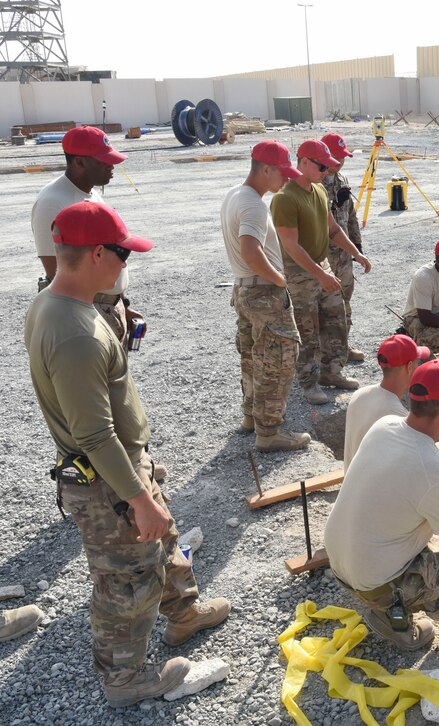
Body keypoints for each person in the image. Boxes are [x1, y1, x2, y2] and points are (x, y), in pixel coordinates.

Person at [24, 201, 230, 707]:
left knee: (164, 544)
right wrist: (138, 498)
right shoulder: (75, 334)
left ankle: (183, 615)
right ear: (97, 254)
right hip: (107, 483)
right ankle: (125, 680)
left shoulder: (57, 304)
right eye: (123, 254)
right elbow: (95, 436)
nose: (125, 263)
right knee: (127, 581)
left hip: (122, 468)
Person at [324, 359, 439, 651]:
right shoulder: (438, 474)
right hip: (374, 584)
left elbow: (414, 470)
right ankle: (394, 615)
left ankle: (391, 598)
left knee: (433, 531)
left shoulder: (384, 426)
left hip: (340, 562)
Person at [221, 141, 310, 452]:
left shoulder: (235, 195)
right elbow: (251, 251)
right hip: (264, 293)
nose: (286, 180)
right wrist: (279, 279)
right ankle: (269, 433)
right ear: (266, 169)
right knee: (277, 360)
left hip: (244, 289)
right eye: (282, 173)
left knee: (252, 357)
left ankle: (251, 417)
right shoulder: (254, 205)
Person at [272, 139, 372, 405]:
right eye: (322, 166)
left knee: (335, 321)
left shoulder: (318, 190)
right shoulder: (285, 198)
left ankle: (332, 372)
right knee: (307, 330)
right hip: (300, 274)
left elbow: (334, 230)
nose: (326, 172)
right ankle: (309, 382)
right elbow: (291, 246)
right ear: (304, 162)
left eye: (328, 167)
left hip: (322, 268)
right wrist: (320, 274)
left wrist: (356, 253)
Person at [30, 126, 139, 345]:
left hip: (106, 306)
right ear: (79, 162)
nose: (112, 165)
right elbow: (58, 274)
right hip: (88, 313)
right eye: (104, 160)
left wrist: (122, 304)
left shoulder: (91, 194)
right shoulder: (52, 203)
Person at [342, 334, 430, 472]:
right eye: (417, 362)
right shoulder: (398, 417)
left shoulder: (359, 395)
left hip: (351, 482)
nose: (419, 367)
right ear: (409, 367)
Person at [319, 132, 367, 363]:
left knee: (345, 299)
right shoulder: (313, 183)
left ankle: (343, 345)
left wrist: (357, 245)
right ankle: (323, 352)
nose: (340, 162)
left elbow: (351, 216)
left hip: (344, 254)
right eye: (336, 158)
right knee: (324, 303)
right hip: (323, 256)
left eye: (342, 158)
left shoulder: (342, 180)